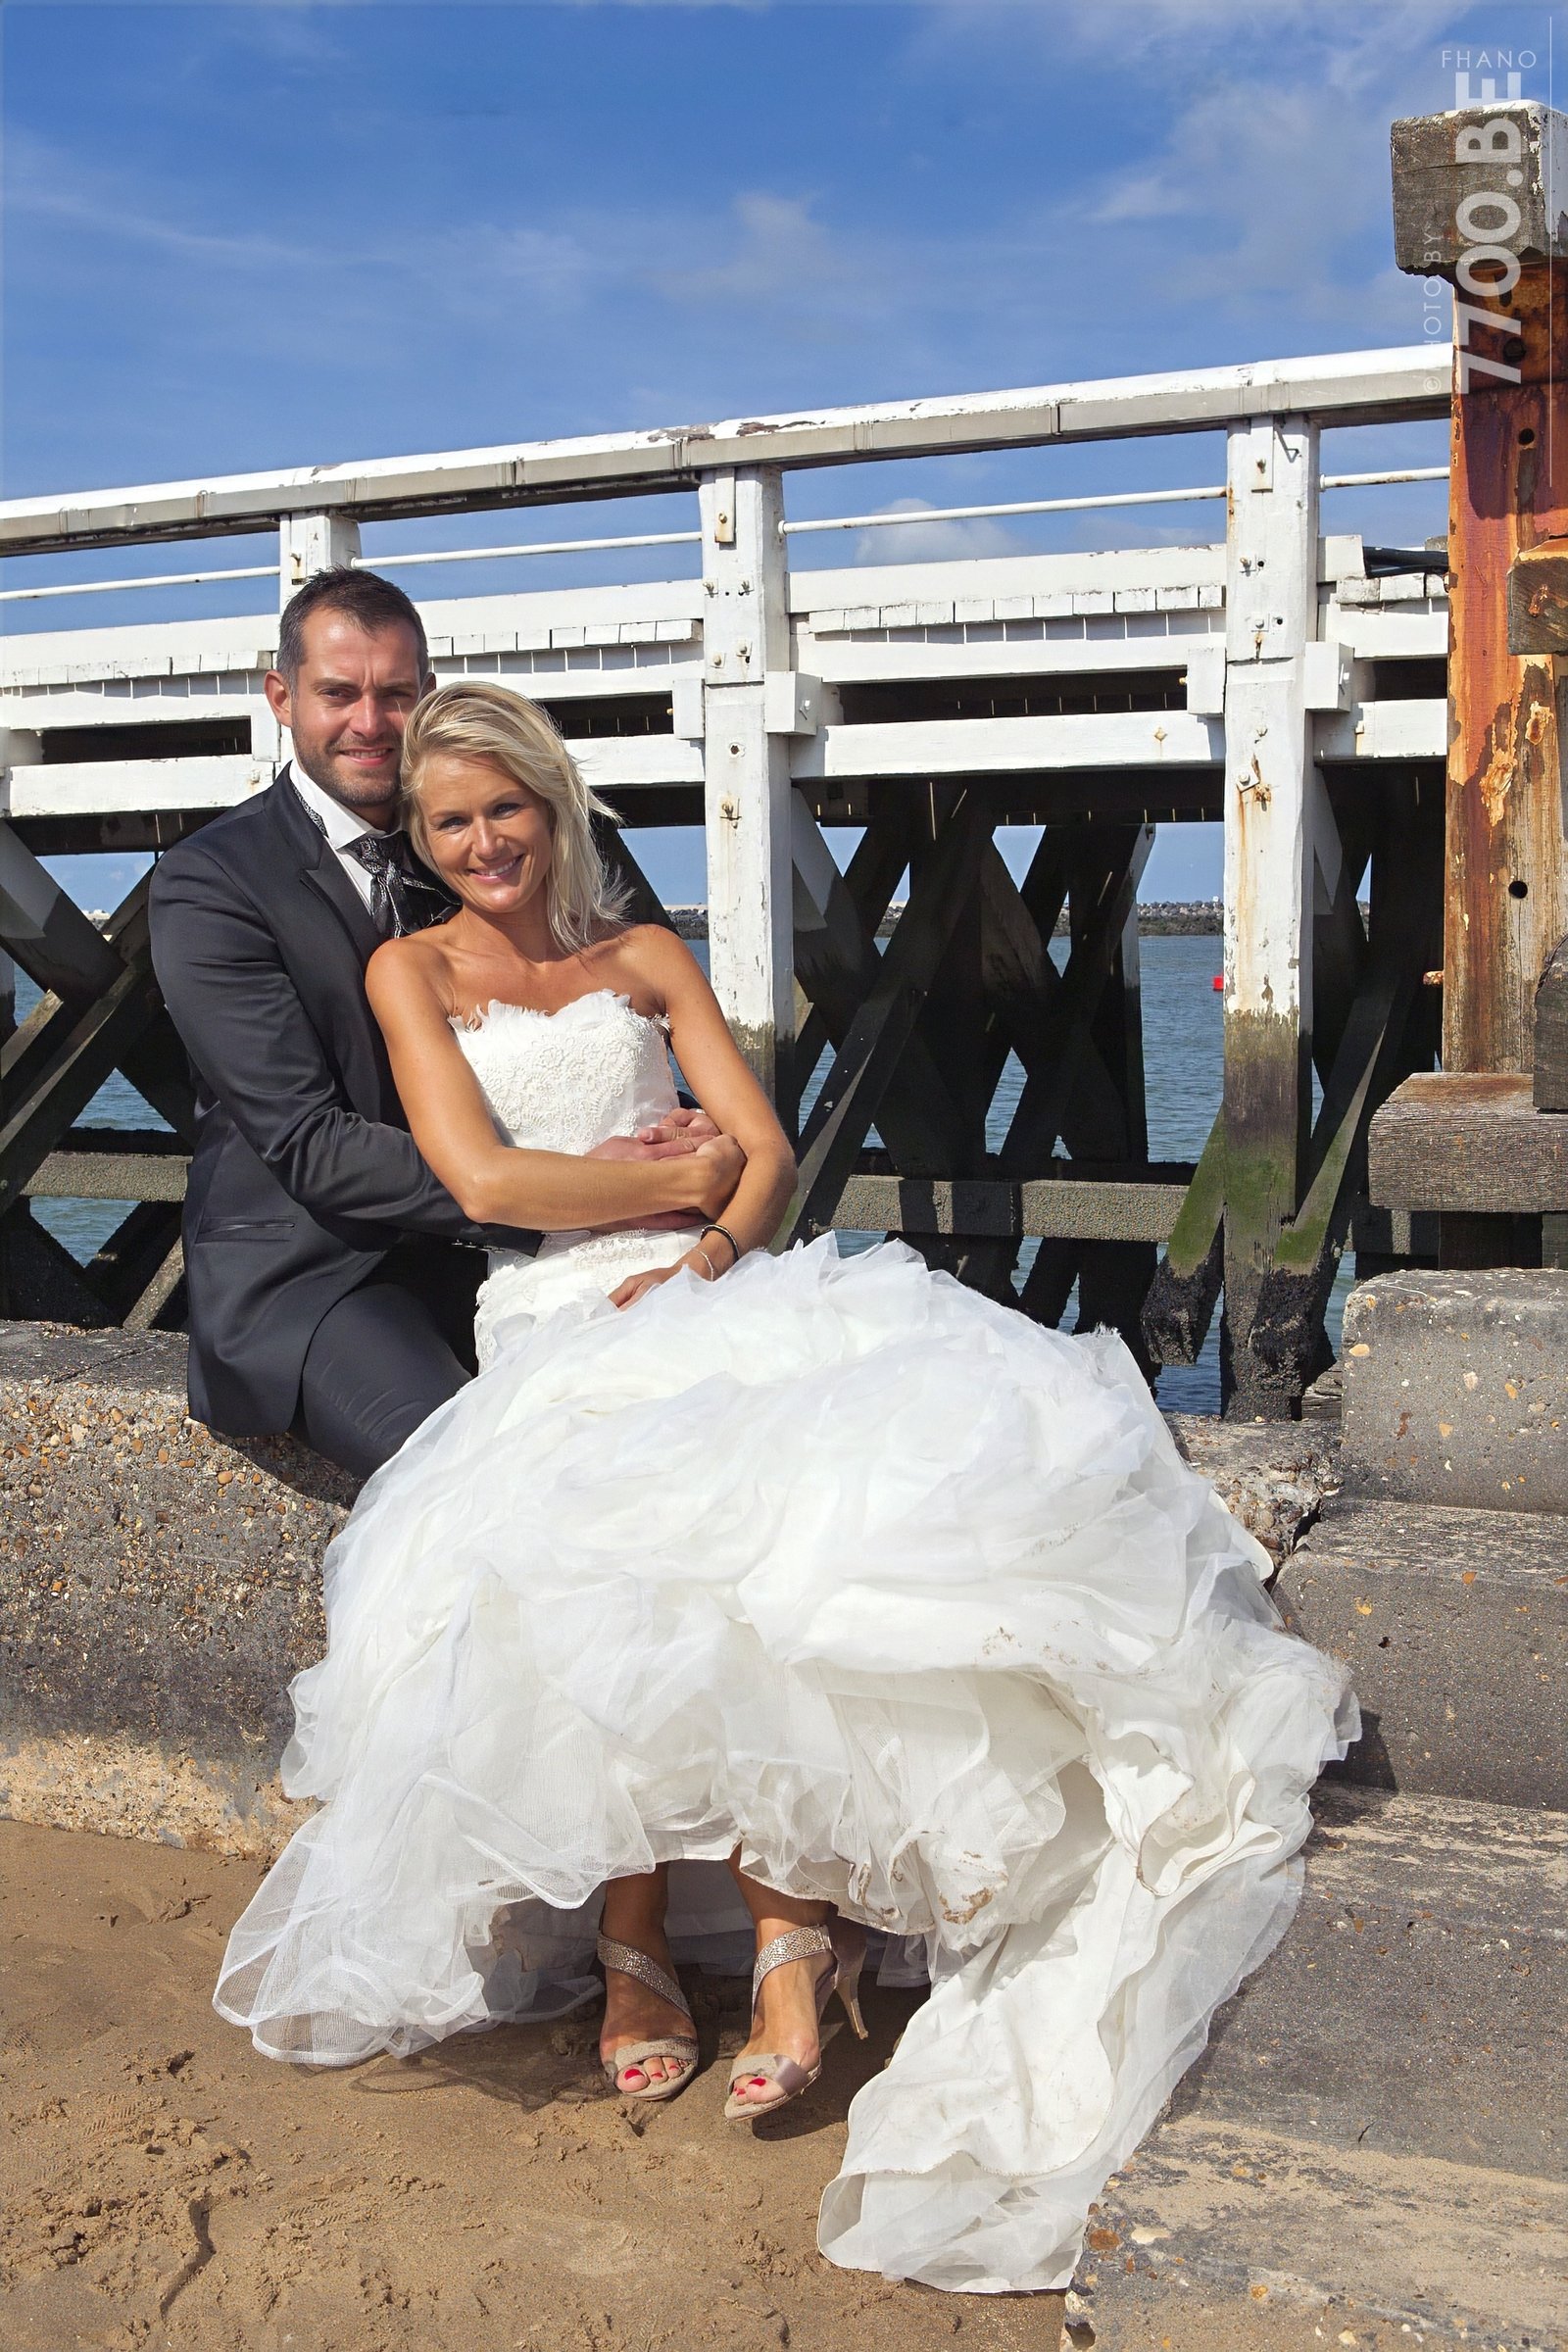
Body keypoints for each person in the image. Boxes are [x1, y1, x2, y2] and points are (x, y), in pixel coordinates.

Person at [214, 680, 1357, 2297]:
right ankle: (639, 1952)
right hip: (551, 1307)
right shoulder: (413, 972)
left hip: (704, 1283)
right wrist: (656, 1180)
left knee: (780, 1553)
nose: (480, 844)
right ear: (423, 837)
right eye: (447, 822)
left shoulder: (645, 956)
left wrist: (700, 1238)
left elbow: (763, 1152)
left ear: (554, 804)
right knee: (609, 1570)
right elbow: (483, 1180)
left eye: (504, 811)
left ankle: (784, 1946)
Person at [149, 569, 725, 1478]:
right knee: (495, 1478)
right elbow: (307, 1142)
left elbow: (629, 1013)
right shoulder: (212, 884)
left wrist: (688, 1128)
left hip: (557, 1245)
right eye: (338, 694)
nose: (370, 723)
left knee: (726, 1435)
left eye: (396, 694)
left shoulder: (518, 832)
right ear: (281, 697)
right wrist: (570, 1187)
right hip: (329, 1273)